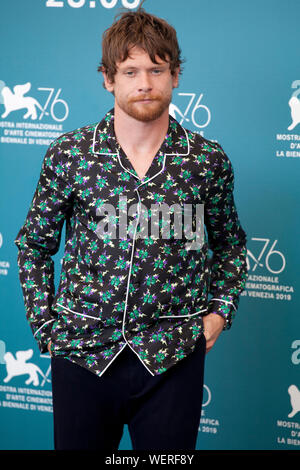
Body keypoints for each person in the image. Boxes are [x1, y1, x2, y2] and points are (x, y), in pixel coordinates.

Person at [15, 5, 248, 451]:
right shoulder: (71, 154)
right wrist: (47, 327)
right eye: (130, 71)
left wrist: (219, 313)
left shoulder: (206, 160)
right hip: (83, 351)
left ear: (176, 75)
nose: (145, 83)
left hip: (172, 355)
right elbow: (34, 245)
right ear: (108, 78)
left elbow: (232, 246)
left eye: (157, 70)